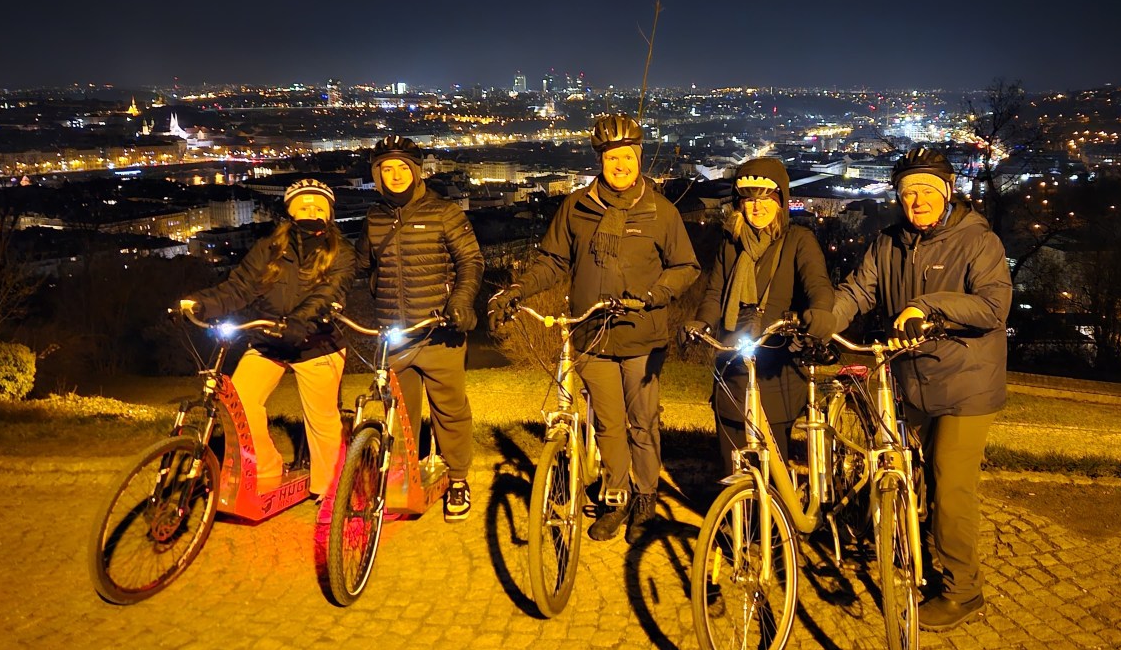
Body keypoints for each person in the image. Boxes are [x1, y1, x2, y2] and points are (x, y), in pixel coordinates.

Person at [488, 113, 699, 543]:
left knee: (642, 422)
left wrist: (657, 294)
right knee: (608, 423)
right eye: (611, 158)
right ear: (599, 161)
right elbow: (553, 261)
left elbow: (686, 266)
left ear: (638, 158)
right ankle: (617, 496)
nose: (620, 165)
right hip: (592, 335)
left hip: (642, 332)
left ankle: (646, 498)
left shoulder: (659, 210)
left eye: (627, 156)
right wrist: (518, 290)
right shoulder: (577, 207)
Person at [827, 147, 1012, 631]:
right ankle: (927, 562)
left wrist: (927, 307)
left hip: (967, 383)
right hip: (913, 381)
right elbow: (859, 291)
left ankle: (963, 592)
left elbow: (994, 308)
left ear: (947, 194)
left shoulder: (978, 242)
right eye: (909, 192)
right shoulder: (888, 243)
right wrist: (823, 323)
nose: (917, 201)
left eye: (927, 191)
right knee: (921, 480)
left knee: (951, 485)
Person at [178, 178, 355, 499]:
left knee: (322, 419)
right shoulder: (269, 249)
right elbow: (239, 288)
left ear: (329, 214)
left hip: (317, 342)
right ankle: (266, 469)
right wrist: (202, 303)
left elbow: (329, 294)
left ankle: (329, 490)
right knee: (240, 403)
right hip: (270, 339)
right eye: (303, 205)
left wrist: (300, 321)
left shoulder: (340, 252)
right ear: (290, 211)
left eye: (318, 206)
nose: (310, 210)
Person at [357, 135, 485, 522]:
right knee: (403, 415)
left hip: (439, 330)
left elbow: (472, 263)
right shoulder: (374, 218)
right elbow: (361, 267)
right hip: (396, 333)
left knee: (449, 410)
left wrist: (460, 303)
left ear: (417, 172)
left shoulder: (444, 212)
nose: (396, 176)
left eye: (402, 169)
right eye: (387, 170)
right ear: (378, 176)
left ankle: (458, 478)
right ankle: (404, 478)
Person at [685, 157, 836, 474]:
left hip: (776, 363)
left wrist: (819, 314)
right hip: (732, 361)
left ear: (780, 199)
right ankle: (736, 519)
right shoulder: (732, 242)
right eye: (749, 199)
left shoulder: (799, 241)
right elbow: (715, 293)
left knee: (772, 462)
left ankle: (772, 520)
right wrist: (700, 322)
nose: (756, 208)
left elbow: (818, 285)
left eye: (765, 198)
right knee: (732, 457)